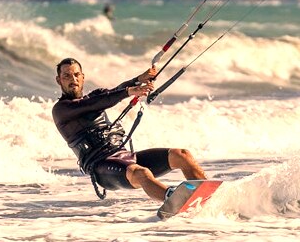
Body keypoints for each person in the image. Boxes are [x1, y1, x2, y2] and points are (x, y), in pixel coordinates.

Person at [52, 57, 206, 202]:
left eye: (76, 74)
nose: (73, 79)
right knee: (142, 173)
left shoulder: (95, 96)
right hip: (101, 167)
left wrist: (138, 80)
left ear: (83, 77)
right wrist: (129, 92)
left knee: (182, 155)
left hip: (125, 157)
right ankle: (174, 199)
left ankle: (207, 195)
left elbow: (113, 92)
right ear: (58, 80)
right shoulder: (61, 110)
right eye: (67, 76)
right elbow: (96, 103)